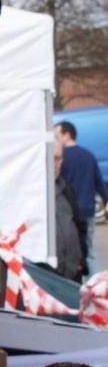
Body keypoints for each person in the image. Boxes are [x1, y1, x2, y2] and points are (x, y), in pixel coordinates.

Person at [55, 120, 107, 276]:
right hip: (88, 210)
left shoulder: (61, 158)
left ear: (67, 134)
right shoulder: (88, 155)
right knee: (89, 251)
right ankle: (95, 287)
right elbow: (100, 184)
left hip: (69, 213)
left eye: (57, 134)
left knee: (71, 252)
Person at [52, 137, 87, 282]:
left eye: (58, 158)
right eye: (51, 158)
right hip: (49, 276)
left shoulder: (66, 188)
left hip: (72, 273)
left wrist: (81, 259)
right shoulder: (31, 193)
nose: (55, 164)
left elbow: (80, 224)